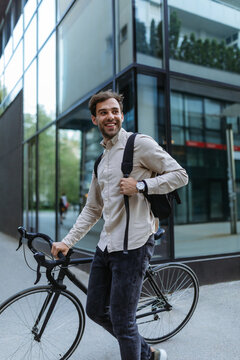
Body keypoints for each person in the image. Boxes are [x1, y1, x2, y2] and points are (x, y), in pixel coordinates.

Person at [52, 90, 188, 360]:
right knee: (95, 310)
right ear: (94, 119)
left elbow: (180, 175)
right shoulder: (100, 161)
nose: (110, 116)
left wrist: (140, 185)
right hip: (107, 244)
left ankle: (143, 354)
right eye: (103, 112)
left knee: (124, 321)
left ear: (121, 115)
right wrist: (68, 241)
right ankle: (147, 353)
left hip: (135, 245)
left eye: (114, 111)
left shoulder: (140, 144)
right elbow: (93, 208)